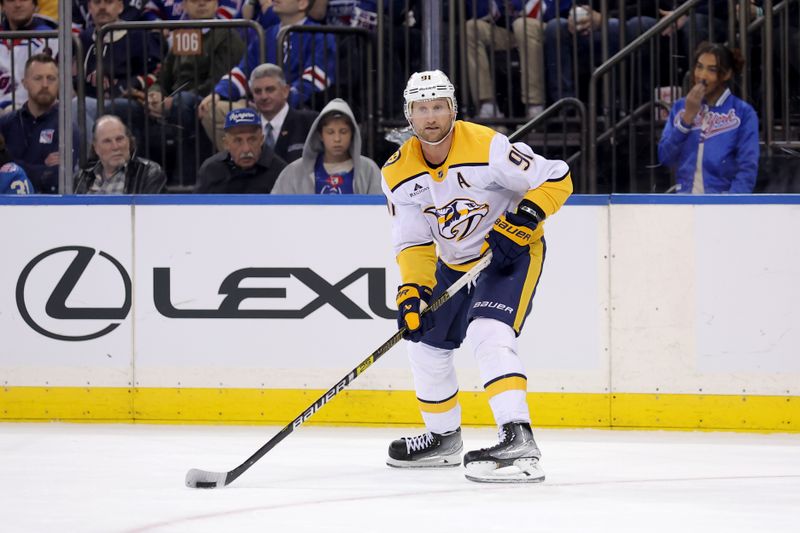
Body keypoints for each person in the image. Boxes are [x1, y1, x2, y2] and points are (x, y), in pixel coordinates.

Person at [380, 70, 572, 482]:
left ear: (453, 109)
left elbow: (556, 177)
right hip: (453, 264)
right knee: (425, 345)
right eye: (421, 109)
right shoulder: (396, 172)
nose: (430, 117)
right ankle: (442, 439)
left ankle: (518, 438)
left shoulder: (488, 146)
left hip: (509, 254)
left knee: (489, 332)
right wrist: (412, 291)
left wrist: (528, 215)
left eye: (438, 107)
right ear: (408, 116)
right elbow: (413, 242)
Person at [198, 0, 336, 149]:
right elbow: (244, 72)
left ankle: (264, 162)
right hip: (261, 103)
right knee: (212, 110)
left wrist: (281, 99)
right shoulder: (266, 34)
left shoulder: (320, 35)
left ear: (302, 3)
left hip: (297, 108)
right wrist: (219, 93)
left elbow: (315, 79)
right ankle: (247, 164)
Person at [145, 0, 246, 185]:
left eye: (207, 0)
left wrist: (172, 101)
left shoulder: (227, 35)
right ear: (183, 5)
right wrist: (155, 94)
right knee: (124, 108)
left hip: (206, 99)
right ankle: (141, 182)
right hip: (177, 101)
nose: (201, 3)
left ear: (216, 4)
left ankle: (186, 182)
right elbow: (163, 79)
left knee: (183, 102)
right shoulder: (181, 35)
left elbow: (218, 82)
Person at [658, 42, 759, 194]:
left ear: (727, 74)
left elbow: (747, 168)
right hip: (685, 202)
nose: (702, 76)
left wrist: (730, 204)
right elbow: (665, 157)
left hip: (722, 205)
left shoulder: (744, 112)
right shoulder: (680, 107)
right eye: (699, 67)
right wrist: (686, 119)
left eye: (712, 70)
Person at [465, 0, 572, 120]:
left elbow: (555, 10)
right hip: (509, 30)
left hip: (545, 28)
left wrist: (516, 4)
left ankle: (535, 107)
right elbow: (481, 13)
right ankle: (487, 106)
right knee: (471, 28)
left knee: (522, 25)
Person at [75, 0, 161, 136]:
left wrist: (128, 86)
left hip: (128, 101)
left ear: (120, 7)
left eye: (109, 2)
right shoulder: (83, 39)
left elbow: (155, 71)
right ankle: (92, 153)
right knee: (74, 105)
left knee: (106, 107)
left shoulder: (137, 36)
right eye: (97, 3)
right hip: (92, 102)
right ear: (89, 8)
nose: (102, 7)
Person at [0, 54, 80, 194]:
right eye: (38, 78)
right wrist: (42, 168)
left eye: (51, 78)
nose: (45, 85)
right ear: (24, 82)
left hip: (49, 208)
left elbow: (56, 180)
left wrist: (11, 164)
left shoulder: (66, 128)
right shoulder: (6, 124)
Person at [273, 98, 381, 194]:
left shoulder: (369, 170)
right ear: (320, 135)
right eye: (330, 132)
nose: (337, 139)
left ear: (352, 134)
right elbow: (276, 209)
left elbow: (382, 210)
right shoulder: (295, 171)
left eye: (343, 132)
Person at [195, 107, 287, 193]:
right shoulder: (211, 169)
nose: (246, 149)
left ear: (261, 140)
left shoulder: (280, 171)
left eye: (252, 140)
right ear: (226, 143)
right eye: (238, 141)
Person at [74, 114, 167, 194]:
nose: (115, 146)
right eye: (107, 141)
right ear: (96, 148)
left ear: (129, 141)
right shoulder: (81, 177)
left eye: (119, 139)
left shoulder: (149, 173)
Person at [248, 63, 318, 164]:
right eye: (258, 91)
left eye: (270, 90)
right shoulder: (248, 128)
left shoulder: (310, 122)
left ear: (285, 91)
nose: (264, 96)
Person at [0, 0, 58, 113]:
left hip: (27, 109)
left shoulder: (48, 38)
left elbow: (37, 85)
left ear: (35, 5)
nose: (17, 5)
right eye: (11, 0)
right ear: (2, 6)